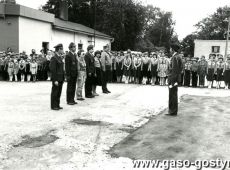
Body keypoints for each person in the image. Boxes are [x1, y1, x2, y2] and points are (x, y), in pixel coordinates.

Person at [166, 43, 183, 116]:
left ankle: (172, 111)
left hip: (173, 78)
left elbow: (175, 70)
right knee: (173, 94)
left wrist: (172, 81)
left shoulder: (175, 57)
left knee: (172, 94)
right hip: (174, 78)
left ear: (173, 49)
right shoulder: (176, 57)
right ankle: (172, 111)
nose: (169, 50)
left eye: (170, 49)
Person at [50, 43, 65, 110]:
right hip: (56, 78)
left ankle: (57, 104)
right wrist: (55, 79)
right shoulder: (54, 58)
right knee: (55, 92)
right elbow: (53, 70)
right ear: (59, 49)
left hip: (60, 78)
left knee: (59, 92)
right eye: (62, 49)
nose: (63, 50)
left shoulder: (59, 57)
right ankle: (53, 106)